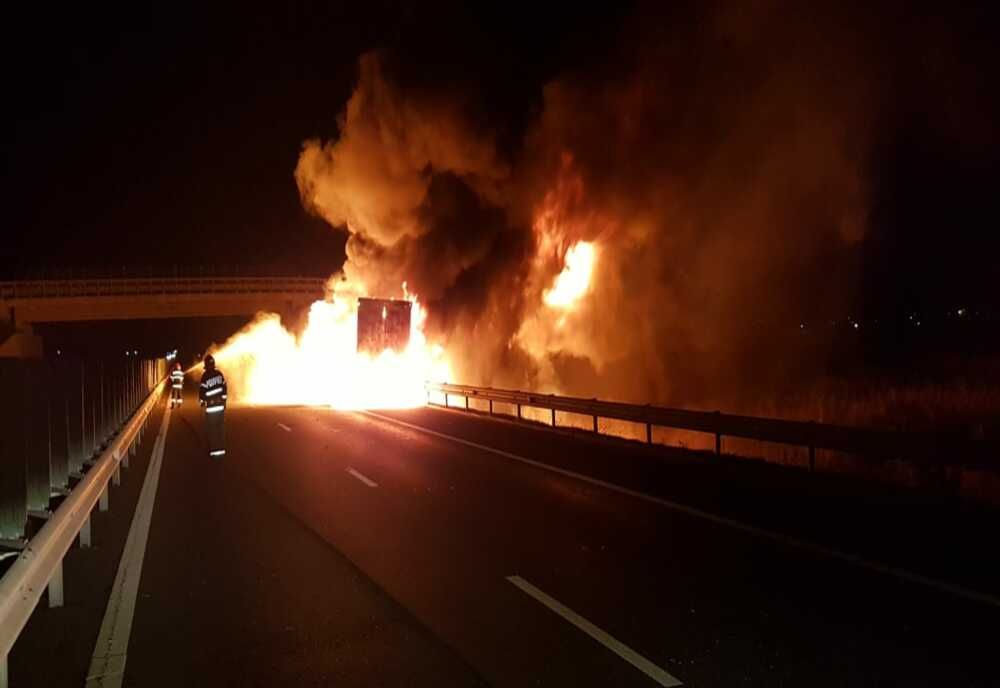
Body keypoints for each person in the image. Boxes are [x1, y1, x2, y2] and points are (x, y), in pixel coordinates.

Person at [198, 354, 228, 458]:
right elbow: (224, 389)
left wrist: (202, 402)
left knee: (212, 430)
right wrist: (224, 402)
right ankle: (221, 450)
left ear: (206, 365)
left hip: (211, 409)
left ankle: (215, 451)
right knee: (220, 429)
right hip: (220, 406)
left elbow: (202, 392)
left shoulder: (205, 376)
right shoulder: (220, 374)